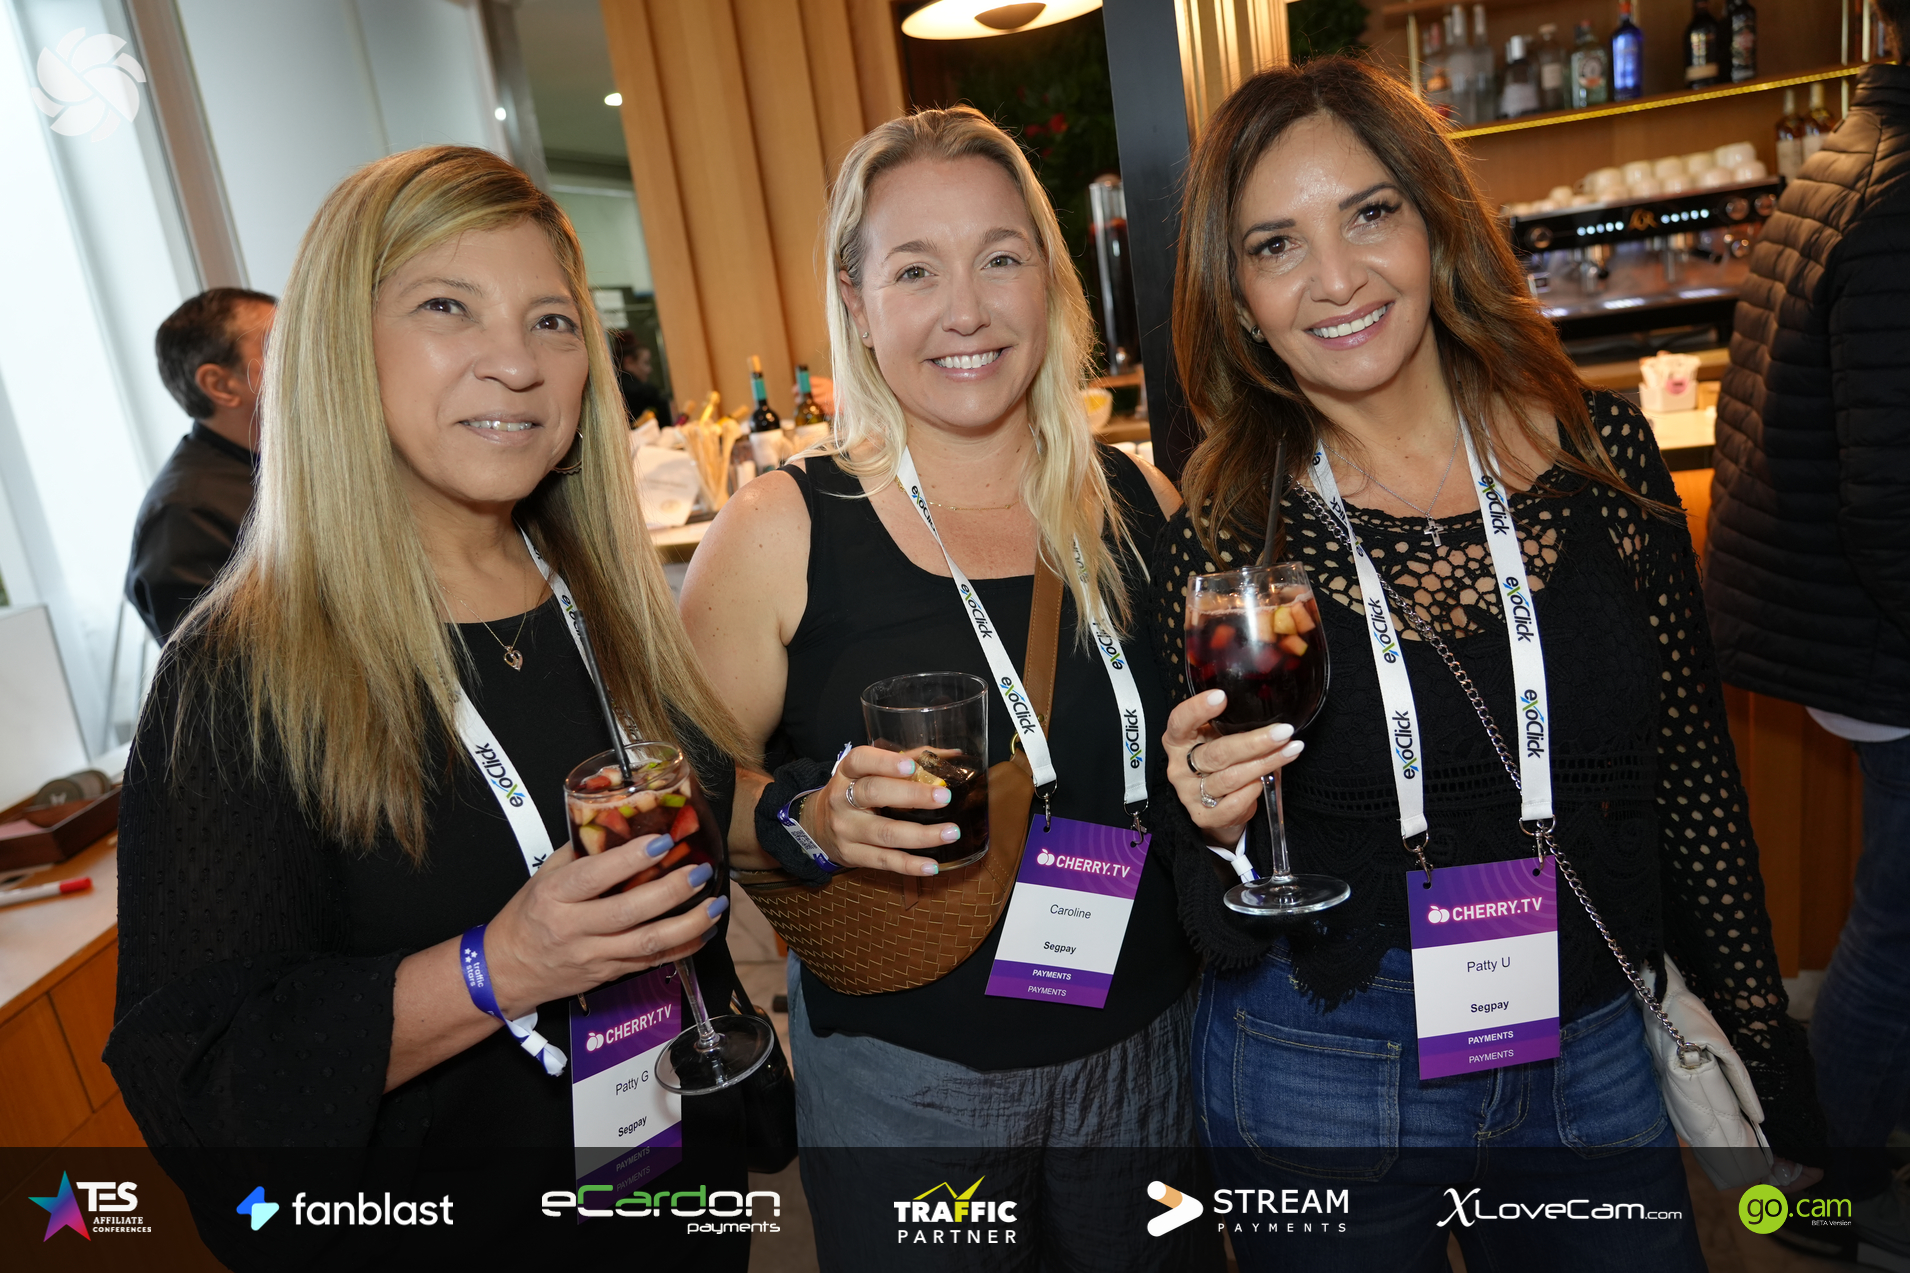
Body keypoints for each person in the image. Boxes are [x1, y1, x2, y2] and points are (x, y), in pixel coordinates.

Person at [1147, 58, 1820, 1270]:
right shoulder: (1225, 525)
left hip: (1592, 1029)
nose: (1335, 277)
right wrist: (1208, 819)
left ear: (1433, 222)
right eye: (1274, 245)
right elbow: (1198, 871)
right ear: (1237, 297)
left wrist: (1761, 1036)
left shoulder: (1599, 458)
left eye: (1368, 213)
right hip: (1324, 1054)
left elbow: (1689, 778)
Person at [104, 146, 762, 1270]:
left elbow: (687, 803)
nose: (516, 362)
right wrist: (499, 964)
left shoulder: (597, 595)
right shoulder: (237, 676)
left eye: (552, 321)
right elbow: (203, 1082)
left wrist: (802, 815)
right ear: (338, 348)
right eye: (448, 307)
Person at [680, 107, 1212, 1270]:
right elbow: (681, 796)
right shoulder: (780, 529)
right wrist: (808, 817)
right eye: (914, 269)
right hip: (909, 1084)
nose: (964, 309)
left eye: (999, 258)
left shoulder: (1140, 502)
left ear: (1049, 281)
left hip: (1147, 1057)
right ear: (856, 298)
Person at [1706, 8, 1910, 1254]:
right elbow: (1890, 492)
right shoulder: (1894, 187)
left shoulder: (1853, 151)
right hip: (1875, 631)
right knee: (1896, 925)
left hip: (1839, 621)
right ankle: (1827, 1185)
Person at [124, 287, 275, 641]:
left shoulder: (290, 464)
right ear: (221, 385)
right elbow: (225, 668)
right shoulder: (185, 516)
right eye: (277, 346)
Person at [611, 327, 671, 424]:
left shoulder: (613, 390)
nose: (649, 370)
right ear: (629, 362)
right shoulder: (645, 394)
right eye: (646, 363)